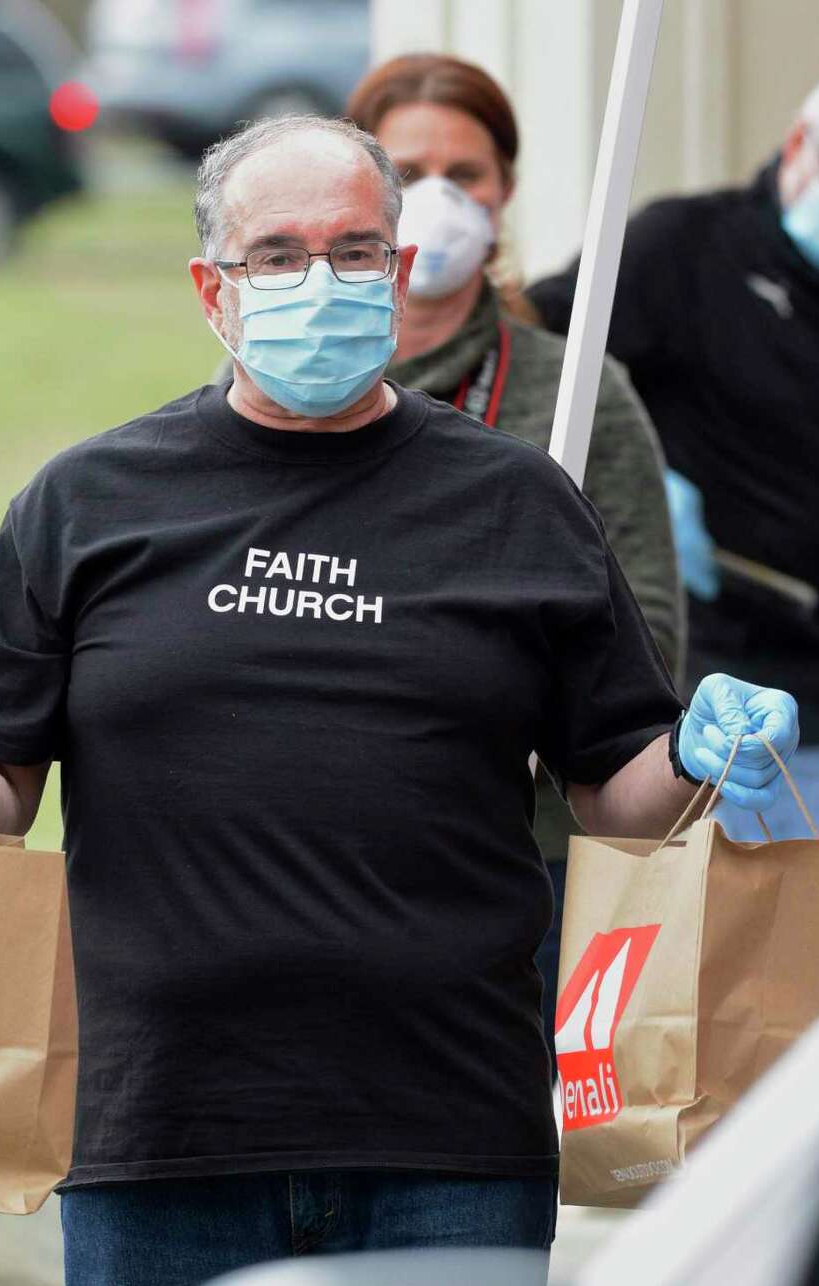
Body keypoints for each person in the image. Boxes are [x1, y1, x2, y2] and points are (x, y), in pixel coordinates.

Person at [0, 114, 800, 1286]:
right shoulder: (91, 504)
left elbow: (610, 790)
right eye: (280, 257)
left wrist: (703, 759)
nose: (323, 283)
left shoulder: (514, 505)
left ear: (407, 261)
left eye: (355, 252)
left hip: (444, 1132)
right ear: (211, 287)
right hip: (166, 1137)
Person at [344, 53, 684, 1046]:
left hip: (521, 867)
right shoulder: (281, 389)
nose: (439, 200)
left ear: (506, 193)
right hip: (318, 858)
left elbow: (645, 636)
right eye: (408, 173)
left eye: (468, 175)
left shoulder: (577, 392)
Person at [529, 50, 819, 899]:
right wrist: (633, 483)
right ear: (799, 145)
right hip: (776, 700)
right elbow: (541, 365)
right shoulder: (682, 250)